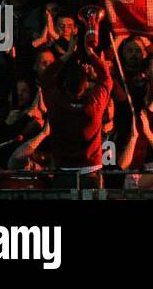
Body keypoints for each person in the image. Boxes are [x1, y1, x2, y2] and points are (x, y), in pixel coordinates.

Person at [38, 29, 114, 189]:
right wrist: (90, 52)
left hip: (63, 173)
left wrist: (67, 55)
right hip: (92, 173)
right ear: (87, 84)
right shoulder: (93, 105)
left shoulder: (56, 102)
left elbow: (45, 78)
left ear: (64, 84)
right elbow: (106, 79)